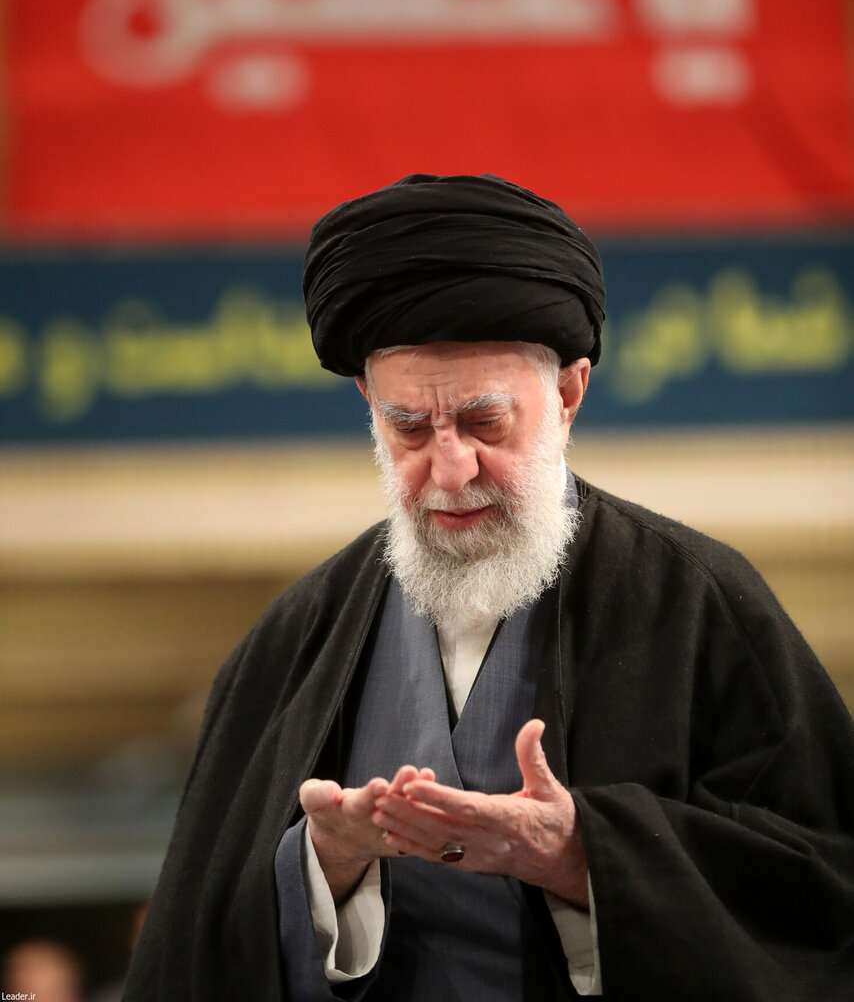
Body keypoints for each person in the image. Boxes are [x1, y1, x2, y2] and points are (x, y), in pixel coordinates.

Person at [124, 174, 854, 1001]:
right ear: (368, 402)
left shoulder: (699, 603)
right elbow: (194, 946)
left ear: (569, 393)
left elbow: (819, 898)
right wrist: (325, 865)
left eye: (484, 423)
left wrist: (583, 857)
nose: (450, 468)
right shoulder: (295, 638)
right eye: (409, 429)